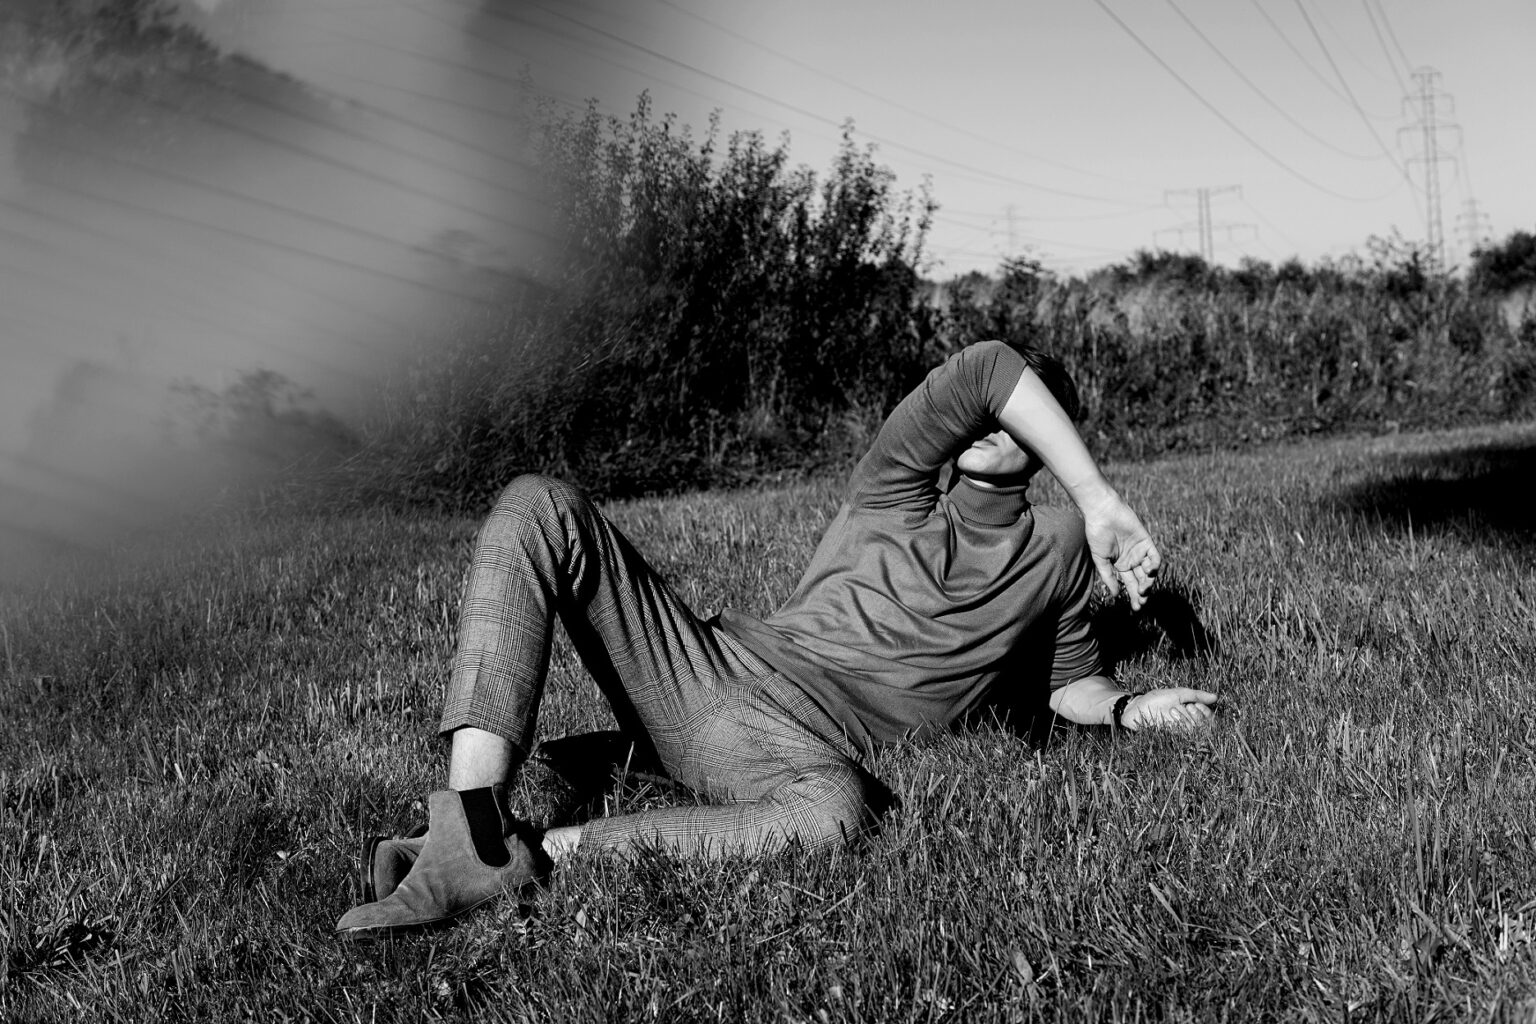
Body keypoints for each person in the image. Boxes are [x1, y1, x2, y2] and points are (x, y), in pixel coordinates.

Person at [334, 340, 1218, 934]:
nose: (994, 422)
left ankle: (519, 854)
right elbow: (987, 367)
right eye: (995, 411)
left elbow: (1069, 682)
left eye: (1023, 418)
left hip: (790, 749)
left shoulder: (1060, 550)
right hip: (709, 672)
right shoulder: (897, 484)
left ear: (1050, 438)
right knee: (539, 505)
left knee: (837, 811)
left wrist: (1132, 707)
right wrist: (1101, 496)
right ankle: (472, 824)